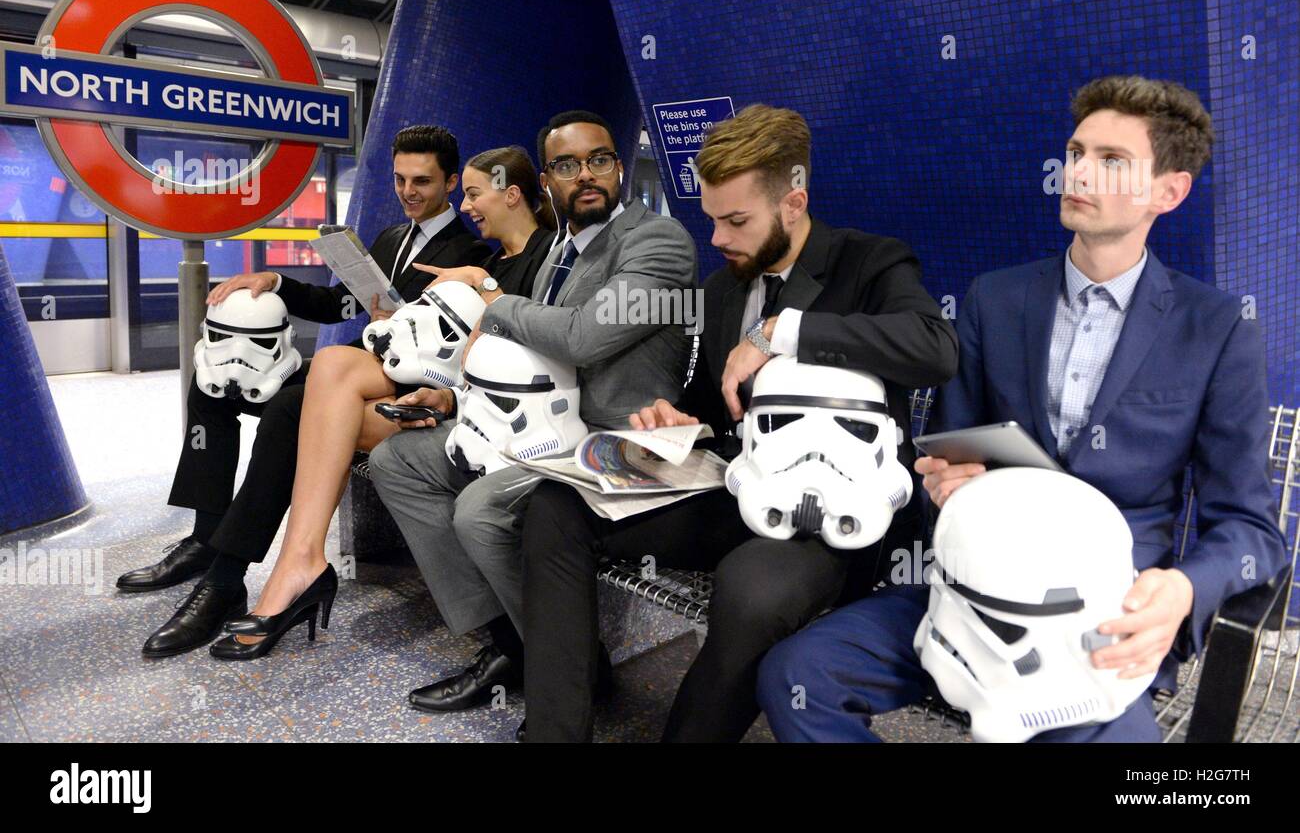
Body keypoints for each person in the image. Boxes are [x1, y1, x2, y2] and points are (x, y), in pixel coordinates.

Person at [757, 76, 1289, 742]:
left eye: (1111, 160)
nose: (1078, 171)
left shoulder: (1214, 328)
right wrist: (950, 488)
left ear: (1169, 191)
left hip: (1099, 621)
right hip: (966, 595)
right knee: (796, 678)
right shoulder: (994, 300)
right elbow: (946, 458)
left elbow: (1251, 531)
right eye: (1075, 151)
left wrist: (1182, 590)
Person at [518, 104, 959, 742]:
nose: (718, 239)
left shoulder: (868, 264)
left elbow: (933, 348)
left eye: (735, 221)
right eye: (711, 220)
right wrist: (674, 420)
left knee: (752, 593)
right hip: (734, 483)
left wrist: (784, 332)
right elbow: (710, 403)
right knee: (555, 506)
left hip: (827, 510)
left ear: (793, 203)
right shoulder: (725, 288)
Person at [366, 109, 698, 713]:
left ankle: (567, 666)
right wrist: (452, 399)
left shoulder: (657, 241)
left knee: (479, 509)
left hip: (607, 442)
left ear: (619, 167)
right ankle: (511, 641)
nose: (586, 175)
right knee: (397, 460)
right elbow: (529, 356)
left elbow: (582, 339)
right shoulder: (558, 252)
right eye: (567, 165)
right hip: (529, 425)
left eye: (599, 159)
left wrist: (492, 296)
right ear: (548, 180)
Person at [127, 125, 491, 658]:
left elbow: (458, 348)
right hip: (352, 374)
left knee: (288, 410)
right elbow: (338, 305)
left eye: (423, 181)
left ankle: (227, 580)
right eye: (399, 179)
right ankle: (206, 538)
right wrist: (275, 282)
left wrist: (403, 320)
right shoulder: (392, 238)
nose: (409, 191)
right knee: (213, 388)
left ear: (452, 182)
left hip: (405, 387)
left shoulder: (470, 249)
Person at [207, 145, 556, 659]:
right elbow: (368, 312)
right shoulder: (442, 249)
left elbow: (524, 349)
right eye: (400, 180)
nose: (464, 206)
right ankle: (283, 562)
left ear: (511, 194)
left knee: (303, 403)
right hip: (432, 387)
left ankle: (281, 569)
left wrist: (465, 316)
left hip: (486, 414)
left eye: (471, 194)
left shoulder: (513, 260)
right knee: (318, 377)